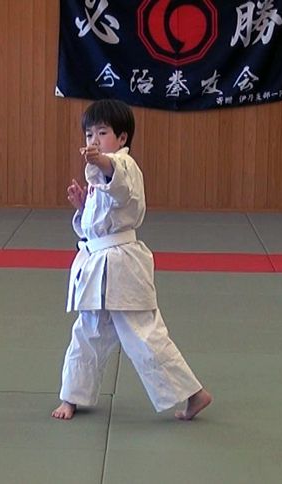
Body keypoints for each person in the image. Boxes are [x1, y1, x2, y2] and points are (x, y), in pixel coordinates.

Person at [52, 99, 212, 421]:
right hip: (98, 264)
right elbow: (96, 226)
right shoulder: (98, 178)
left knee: (142, 335)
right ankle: (72, 396)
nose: (94, 141)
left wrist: (103, 162)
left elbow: (121, 186)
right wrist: (83, 207)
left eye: (102, 133)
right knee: (87, 332)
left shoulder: (123, 166)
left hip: (122, 267)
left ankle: (194, 394)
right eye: (89, 135)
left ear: (122, 138)